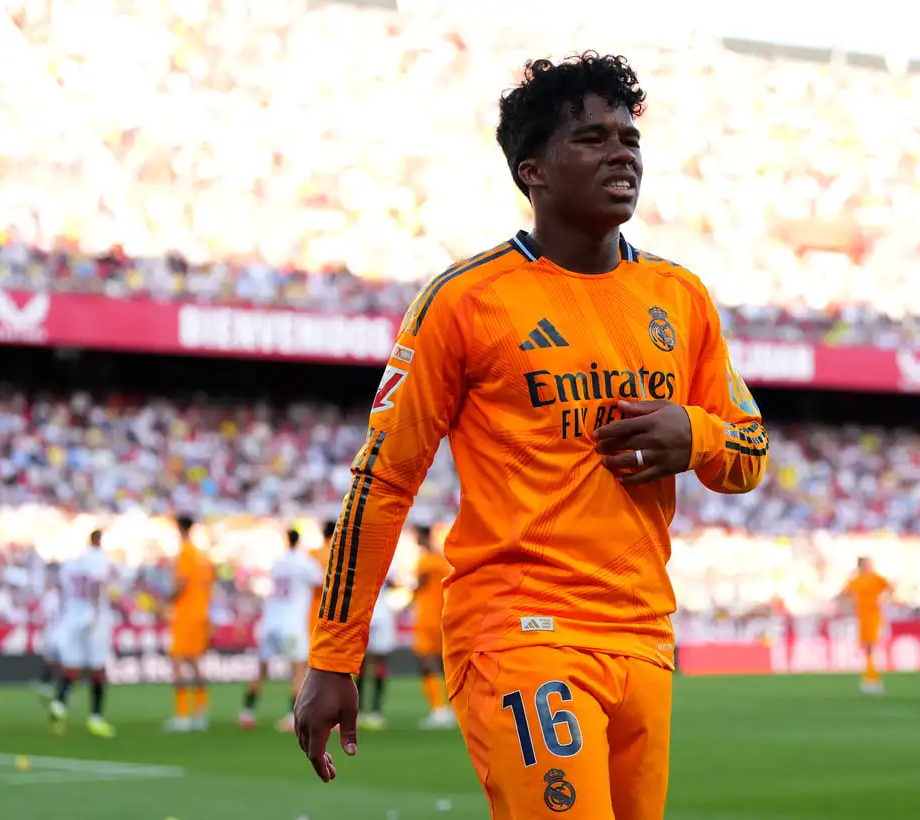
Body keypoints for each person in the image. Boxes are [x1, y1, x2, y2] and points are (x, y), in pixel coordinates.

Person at [294, 52, 768, 820]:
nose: (622, 152)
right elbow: (384, 479)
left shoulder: (680, 300)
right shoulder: (465, 302)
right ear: (533, 171)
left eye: (629, 138)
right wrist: (334, 655)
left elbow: (748, 452)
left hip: (644, 634)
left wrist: (699, 434)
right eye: (592, 138)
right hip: (520, 629)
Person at [240, 528, 323, 732]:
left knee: (261, 669)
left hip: (270, 621)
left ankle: (247, 713)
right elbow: (322, 584)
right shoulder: (306, 564)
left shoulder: (278, 563)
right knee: (298, 670)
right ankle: (291, 717)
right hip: (292, 623)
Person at [48, 530, 116, 738]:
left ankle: (58, 706)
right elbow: (96, 584)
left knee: (72, 667)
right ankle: (95, 718)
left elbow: (61, 588)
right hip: (91, 617)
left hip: (71, 616)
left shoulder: (70, 564)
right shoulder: (98, 560)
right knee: (98, 669)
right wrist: (94, 613)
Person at [165, 515, 216, 732]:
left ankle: (183, 714)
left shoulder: (185, 552)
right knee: (195, 664)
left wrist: (164, 602)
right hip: (201, 613)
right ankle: (200, 713)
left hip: (186, 613)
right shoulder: (202, 555)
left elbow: (181, 584)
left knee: (178, 662)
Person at [409, 524, 454, 729]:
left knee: (426, 662)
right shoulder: (441, 559)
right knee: (443, 663)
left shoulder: (427, 560)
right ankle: (452, 707)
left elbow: (420, 585)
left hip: (427, 618)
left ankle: (439, 709)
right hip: (441, 616)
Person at [839, 557, 893, 694]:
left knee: (870, 647)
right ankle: (871, 678)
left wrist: (884, 600)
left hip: (873, 616)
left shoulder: (876, 578)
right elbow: (844, 593)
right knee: (867, 648)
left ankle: (871, 679)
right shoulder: (857, 580)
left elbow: (890, 588)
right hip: (862, 618)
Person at [356, 570, 398, 731]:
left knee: (360, 664)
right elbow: (394, 582)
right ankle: (375, 711)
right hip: (381, 612)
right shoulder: (389, 556)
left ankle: (357, 711)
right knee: (379, 663)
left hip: (363, 610)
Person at [35, 565, 62, 700]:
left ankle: (47, 683)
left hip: (51, 631)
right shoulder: (57, 597)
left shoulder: (49, 597)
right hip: (56, 631)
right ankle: (47, 683)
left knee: (53, 660)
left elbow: (43, 616)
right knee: (56, 661)